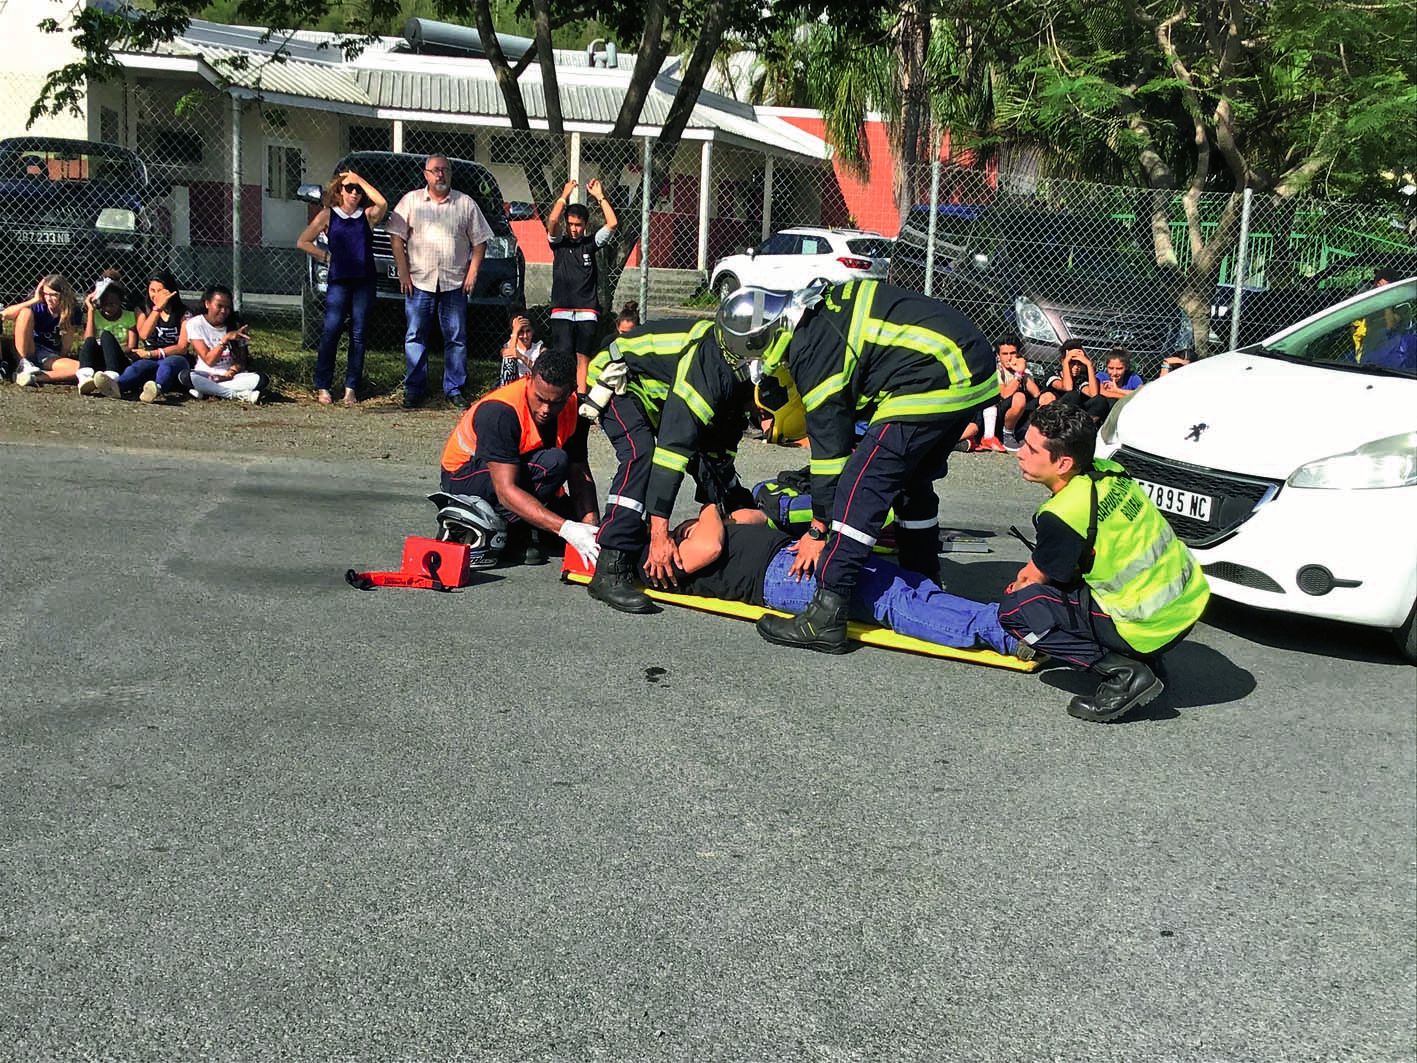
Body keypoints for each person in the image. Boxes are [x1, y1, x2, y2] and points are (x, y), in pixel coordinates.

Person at [717, 281, 999, 654]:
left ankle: (827, 611)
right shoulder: (816, 310)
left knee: (860, 486)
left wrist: (818, 532)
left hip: (935, 375)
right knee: (911, 483)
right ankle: (922, 573)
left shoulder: (810, 348)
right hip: (967, 367)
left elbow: (830, 458)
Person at [998, 403, 1210, 722]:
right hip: (1187, 603)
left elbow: (1034, 579)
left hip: (1145, 624)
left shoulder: (1064, 514)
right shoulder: (1109, 472)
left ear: (1064, 462)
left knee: (1018, 609)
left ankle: (1126, 674)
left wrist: (1022, 591)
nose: (1020, 454)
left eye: (1030, 448)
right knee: (1076, 577)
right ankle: (1147, 658)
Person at [624, 503, 1028, 658]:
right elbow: (711, 547)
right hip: (783, 577)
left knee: (910, 586)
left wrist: (723, 518)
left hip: (794, 555)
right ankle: (1004, 634)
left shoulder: (673, 537)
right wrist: (710, 511)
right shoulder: (653, 561)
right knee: (889, 602)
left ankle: (1006, 620)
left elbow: (757, 517)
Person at [580, 318, 755, 614]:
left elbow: (715, 458)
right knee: (642, 454)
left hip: (657, 391)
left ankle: (636, 539)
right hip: (622, 378)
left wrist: (733, 507)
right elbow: (672, 453)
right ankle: (610, 564)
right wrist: (659, 535)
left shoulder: (735, 390)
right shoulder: (711, 372)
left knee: (708, 463)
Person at [438, 346, 600, 566]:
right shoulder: (499, 411)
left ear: (571, 390)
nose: (545, 409)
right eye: (540, 399)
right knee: (553, 463)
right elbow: (505, 491)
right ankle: (514, 533)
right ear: (528, 379)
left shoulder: (576, 410)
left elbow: (580, 474)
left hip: (523, 473)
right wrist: (566, 528)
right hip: (464, 477)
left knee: (571, 528)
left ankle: (531, 527)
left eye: (556, 403)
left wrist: (591, 528)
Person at [386, 153, 492, 409]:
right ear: (426, 174)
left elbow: (480, 242)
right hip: (419, 282)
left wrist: (472, 273)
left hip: (454, 283)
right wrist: (403, 271)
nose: (440, 174)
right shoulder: (411, 201)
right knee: (415, 336)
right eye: (435, 170)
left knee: (456, 338)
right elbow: (395, 237)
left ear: (450, 173)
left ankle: (454, 389)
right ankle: (414, 389)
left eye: (444, 169)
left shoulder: (465, 204)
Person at [296, 169, 387, 406]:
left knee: (358, 335)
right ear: (339, 191)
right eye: (349, 188)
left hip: (363, 281)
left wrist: (360, 179)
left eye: (357, 190)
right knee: (332, 330)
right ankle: (323, 386)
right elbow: (303, 241)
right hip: (339, 281)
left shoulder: (366, 216)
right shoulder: (328, 215)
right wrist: (325, 257)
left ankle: (351, 389)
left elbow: (382, 203)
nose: (354, 193)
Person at [545, 178, 618, 390]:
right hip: (562, 310)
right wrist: (564, 195)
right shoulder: (559, 243)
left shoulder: (590, 244)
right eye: (570, 224)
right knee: (563, 356)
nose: (573, 229)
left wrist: (600, 197)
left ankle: (581, 398)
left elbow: (612, 223)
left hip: (587, 310)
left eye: (578, 225)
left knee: (582, 357)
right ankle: (563, 394)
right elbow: (552, 221)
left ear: (585, 225)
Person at [117, 270, 193, 404]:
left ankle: (156, 389)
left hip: (175, 358)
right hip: (149, 357)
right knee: (136, 368)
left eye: (160, 291)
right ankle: (116, 386)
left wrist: (153, 354)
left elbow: (182, 347)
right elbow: (144, 334)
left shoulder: (184, 313)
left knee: (166, 365)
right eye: (152, 290)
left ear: (171, 292)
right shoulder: (142, 309)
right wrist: (157, 309)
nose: (155, 295)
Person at [185, 285, 267, 403]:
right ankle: (238, 395)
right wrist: (225, 339)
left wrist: (229, 374)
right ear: (207, 304)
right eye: (219, 306)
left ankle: (208, 392)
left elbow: (241, 361)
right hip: (205, 374)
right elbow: (209, 360)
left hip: (231, 376)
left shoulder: (236, 325)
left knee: (261, 379)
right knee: (187, 376)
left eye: (227, 307)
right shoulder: (195, 324)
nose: (223, 311)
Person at [7, 275, 81, 388]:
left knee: (81, 368)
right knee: (25, 312)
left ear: (63, 295)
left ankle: (35, 377)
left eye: (54, 295)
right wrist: (35, 299)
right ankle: (23, 365)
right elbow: (4, 315)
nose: (48, 298)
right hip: (29, 347)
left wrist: (58, 361)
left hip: (49, 354)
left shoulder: (71, 311)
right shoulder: (39, 305)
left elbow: (66, 347)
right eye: (46, 294)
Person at [76, 274, 137, 398]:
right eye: (104, 304)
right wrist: (91, 311)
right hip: (100, 359)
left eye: (112, 304)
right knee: (92, 341)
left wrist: (111, 349)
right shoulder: (96, 315)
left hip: (119, 359)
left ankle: (111, 377)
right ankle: (85, 378)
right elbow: (88, 339)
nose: (108, 308)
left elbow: (132, 346)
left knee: (106, 336)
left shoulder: (129, 316)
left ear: (120, 302)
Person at [1045, 340, 1110, 420]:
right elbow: (1068, 387)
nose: (1076, 367)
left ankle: (1085, 427)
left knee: (1100, 401)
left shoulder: (1080, 378)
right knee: (1073, 395)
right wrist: (1066, 362)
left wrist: (1089, 365)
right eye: (1072, 363)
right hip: (1057, 412)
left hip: (1076, 413)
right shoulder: (1053, 374)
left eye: (1079, 363)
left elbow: (1093, 394)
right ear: (1063, 361)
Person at [498, 314, 543, 386]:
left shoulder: (539, 349)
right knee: (508, 358)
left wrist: (521, 356)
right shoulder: (509, 346)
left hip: (532, 387)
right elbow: (509, 354)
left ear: (533, 331)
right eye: (521, 331)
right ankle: (508, 392)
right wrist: (515, 332)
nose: (525, 336)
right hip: (515, 386)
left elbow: (543, 372)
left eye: (528, 331)